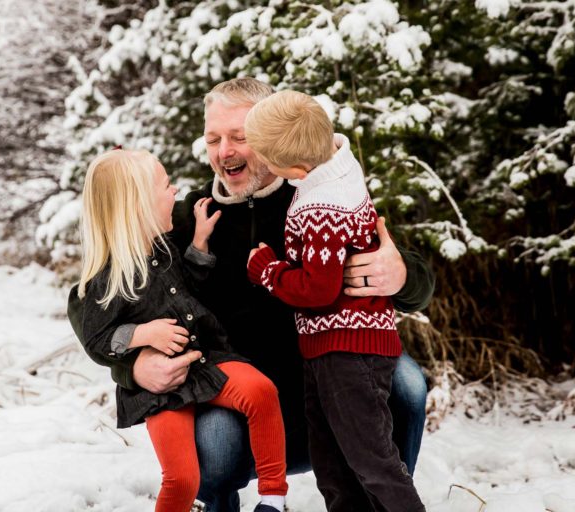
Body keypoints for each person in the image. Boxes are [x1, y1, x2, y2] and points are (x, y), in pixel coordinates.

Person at [67, 77, 435, 512]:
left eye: (239, 137)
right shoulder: (190, 219)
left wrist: (400, 276)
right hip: (236, 395)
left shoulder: (316, 196)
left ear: (270, 137)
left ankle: (382, 501)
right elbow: (115, 300)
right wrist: (135, 367)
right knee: (217, 441)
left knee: (409, 385)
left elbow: (417, 282)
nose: (225, 152)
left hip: (326, 380)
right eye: (213, 139)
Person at [74, 149, 288, 512]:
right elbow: (96, 339)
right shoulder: (106, 281)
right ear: (138, 204)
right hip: (160, 391)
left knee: (260, 390)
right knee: (183, 478)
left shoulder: (165, 248)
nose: (174, 193)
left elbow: (188, 285)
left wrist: (200, 242)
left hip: (205, 361)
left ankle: (272, 497)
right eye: (165, 185)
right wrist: (142, 336)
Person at [244, 90, 425, 511]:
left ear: (295, 167)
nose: (265, 167)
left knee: (370, 458)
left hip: (348, 350)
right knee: (332, 461)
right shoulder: (336, 166)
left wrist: (268, 270)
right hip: (332, 347)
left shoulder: (323, 206)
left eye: (267, 160)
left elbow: (319, 290)